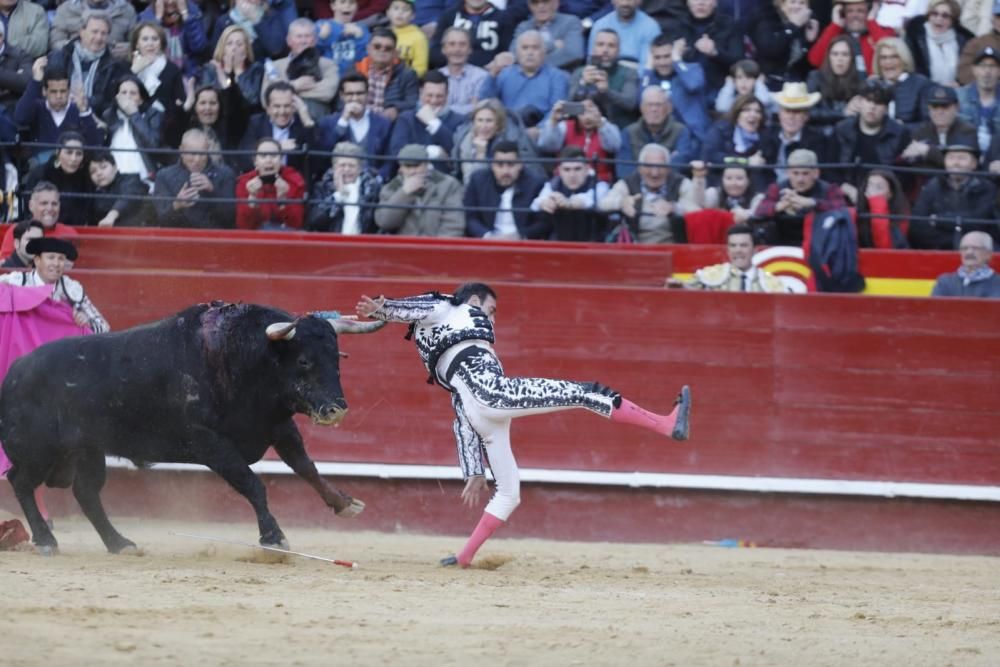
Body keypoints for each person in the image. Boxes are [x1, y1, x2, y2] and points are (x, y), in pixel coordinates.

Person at [353, 282, 691, 568]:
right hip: (491, 392)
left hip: (478, 406)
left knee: (509, 492)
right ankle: (664, 424)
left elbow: (461, 410)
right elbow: (416, 307)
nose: (493, 316)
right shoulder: (448, 307)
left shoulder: (437, 343)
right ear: (473, 301)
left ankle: (465, 556)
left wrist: (473, 470)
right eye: (492, 308)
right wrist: (383, 308)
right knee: (587, 392)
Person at [0, 236, 109, 333]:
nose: (56, 264)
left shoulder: (71, 289)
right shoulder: (16, 281)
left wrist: (87, 322)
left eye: (61, 259)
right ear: (37, 261)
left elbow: (104, 327)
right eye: (51, 257)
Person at [599, 143, 699, 244]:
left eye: (660, 167)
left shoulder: (681, 182)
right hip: (636, 250)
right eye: (649, 166)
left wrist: (674, 207)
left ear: (668, 168)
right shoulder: (628, 183)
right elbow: (603, 204)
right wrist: (621, 203)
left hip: (673, 249)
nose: (654, 173)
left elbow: (697, 211)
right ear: (640, 168)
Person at [754, 148, 849, 246]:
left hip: (819, 246)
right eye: (795, 173)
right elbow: (759, 211)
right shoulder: (777, 188)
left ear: (816, 173)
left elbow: (843, 210)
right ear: (788, 173)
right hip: (782, 246)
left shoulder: (829, 189)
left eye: (805, 173)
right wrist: (781, 205)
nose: (800, 179)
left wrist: (813, 203)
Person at [909, 143, 997, 249]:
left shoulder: (986, 188)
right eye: (950, 158)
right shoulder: (932, 186)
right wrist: (954, 238)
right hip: (937, 248)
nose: (956, 163)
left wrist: (938, 220)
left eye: (962, 158)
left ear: (974, 164)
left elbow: (979, 221)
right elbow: (918, 223)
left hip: (977, 247)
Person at [833, 79, 910, 199]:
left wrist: (882, 190)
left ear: (886, 108)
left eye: (878, 103)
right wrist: (846, 188)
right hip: (845, 197)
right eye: (868, 100)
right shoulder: (842, 129)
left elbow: (904, 176)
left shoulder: (899, 133)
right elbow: (829, 169)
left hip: (884, 198)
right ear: (860, 102)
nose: (872, 107)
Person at [13, 61, 102, 164]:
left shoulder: (79, 110)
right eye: (54, 91)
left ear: (69, 91)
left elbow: (95, 144)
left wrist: (84, 112)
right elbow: (20, 118)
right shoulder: (37, 107)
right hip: (41, 169)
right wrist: (36, 82)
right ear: (44, 91)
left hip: (74, 167)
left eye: (63, 91)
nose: (59, 96)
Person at [46, 11, 130, 118]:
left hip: (94, 118)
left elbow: (109, 101)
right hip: (57, 113)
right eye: (94, 32)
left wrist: (84, 102)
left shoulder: (114, 66)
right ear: (82, 32)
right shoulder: (59, 57)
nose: (99, 38)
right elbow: (47, 90)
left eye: (103, 33)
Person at [481, 30, 568, 130]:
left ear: (544, 52)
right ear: (517, 52)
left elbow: (556, 110)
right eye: (525, 48)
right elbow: (486, 102)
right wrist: (492, 75)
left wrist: (539, 129)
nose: (530, 53)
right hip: (507, 128)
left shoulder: (557, 77)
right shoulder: (504, 74)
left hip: (540, 130)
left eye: (535, 48)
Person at [152, 128, 237, 228]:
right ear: (181, 151)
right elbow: (162, 219)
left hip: (213, 237)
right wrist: (177, 205)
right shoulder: (164, 176)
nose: (197, 160)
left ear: (208, 149)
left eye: (202, 154)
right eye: (192, 154)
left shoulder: (225, 173)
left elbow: (230, 218)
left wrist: (212, 191)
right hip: (180, 238)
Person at [374, 143, 465, 236]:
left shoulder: (448, 184)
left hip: (437, 247)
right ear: (400, 168)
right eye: (408, 166)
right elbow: (384, 222)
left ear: (427, 164)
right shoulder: (391, 188)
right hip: (404, 247)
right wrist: (404, 193)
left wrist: (437, 248)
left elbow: (454, 225)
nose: (413, 171)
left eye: (417, 166)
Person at [637, 33, 711, 146]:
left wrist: (677, 60)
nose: (662, 62)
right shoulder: (650, 78)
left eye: (667, 56)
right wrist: (648, 68)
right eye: (657, 57)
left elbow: (693, 85)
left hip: (694, 137)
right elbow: (641, 102)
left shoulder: (692, 69)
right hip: (662, 139)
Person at [463, 140, 547, 239]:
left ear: (520, 165)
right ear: (492, 165)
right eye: (500, 165)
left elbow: (543, 222)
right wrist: (487, 236)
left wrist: (521, 235)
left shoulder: (536, 183)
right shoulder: (478, 180)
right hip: (486, 243)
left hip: (523, 244)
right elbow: (470, 217)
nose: (505, 171)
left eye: (511, 165)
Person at [316, 72, 393, 177]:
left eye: (360, 93)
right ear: (342, 96)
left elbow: (390, 160)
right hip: (338, 182)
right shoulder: (327, 123)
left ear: (367, 94)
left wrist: (378, 179)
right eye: (350, 94)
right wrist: (343, 121)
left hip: (373, 184)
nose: (355, 98)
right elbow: (323, 156)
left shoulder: (383, 123)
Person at [667, 224, 786, 292]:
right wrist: (679, 287)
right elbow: (687, 291)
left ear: (755, 250)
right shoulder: (710, 275)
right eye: (733, 246)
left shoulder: (771, 284)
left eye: (743, 245)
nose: (738, 250)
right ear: (728, 250)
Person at [660, 0, 742, 95]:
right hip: (684, 90)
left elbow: (739, 62)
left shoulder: (729, 25)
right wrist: (678, 55)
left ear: (715, 2)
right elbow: (662, 62)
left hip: (719, 90)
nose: (701, 3)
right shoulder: (676, 26)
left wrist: (716, 52)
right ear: (687, 2)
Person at [387, 70, 464, 171]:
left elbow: (457, 152)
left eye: (439, 96)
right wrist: (432, 151)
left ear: (447, 95)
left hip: (445, 180)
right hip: (410, 176)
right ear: (421, 93)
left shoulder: (459, 120)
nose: (434, 101)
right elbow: (397, 152)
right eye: (429, 95)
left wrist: (434, 124)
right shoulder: (406, 119)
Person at [265, 18, 340, 119]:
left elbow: (328, 93)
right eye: (299, 36)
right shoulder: (275, 66)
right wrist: (294, 86)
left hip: (317, 122)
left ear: (315, 40)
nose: (303, 41)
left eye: (307, 36)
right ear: (289, 41)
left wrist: (282, 91)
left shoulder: (329, 65)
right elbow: (265, 98)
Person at [531, 145, 609, 242]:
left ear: (587, 168)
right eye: (567, 169)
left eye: (577, 169)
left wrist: (569, 203)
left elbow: (591, 200)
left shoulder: (600, 185)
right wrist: (545, 203)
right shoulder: (553, 184)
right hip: (559, 245)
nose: (572, 175)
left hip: (592, 246)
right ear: (559, 170)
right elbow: (535, 204)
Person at [238, 80, 316, 175]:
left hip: (294, 183)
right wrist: (277, 147)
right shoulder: (256, 123)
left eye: (287, 106)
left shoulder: (304, 123)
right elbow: (244, 159)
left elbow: (315, 162)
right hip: (262, 181)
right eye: (277, 106)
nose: (282, 112)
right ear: (268, 108)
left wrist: (307, 120)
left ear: (294, 106)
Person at [452, 98, 537, 184]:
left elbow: (531, 171)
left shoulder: (514, 138)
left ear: (498, 124)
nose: (483, 126)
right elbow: (471, 183)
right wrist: (480, 155)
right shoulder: (467, 141)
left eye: (489, 121)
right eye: (480, 120)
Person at [759, 82, 830, 185]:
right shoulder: (767, 135)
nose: (791, 117)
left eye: (796, 112)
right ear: (779, 114)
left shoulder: (818, 140)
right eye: (787, 111)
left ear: (806, 116)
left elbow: (822, 176)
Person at [618, 86, 696, 178]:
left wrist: (642, 168)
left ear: (669, 108)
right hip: (636, 189)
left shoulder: (681, 131)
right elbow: (623, 171)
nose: (654, 109)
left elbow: (680, 166)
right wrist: (666, 162)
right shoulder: (629, 132)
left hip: (671, 188)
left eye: (658, 105)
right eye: (650, 105)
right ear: (641, 108)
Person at [538, 98, 621, 183]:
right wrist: (553, 121)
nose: (587, 117)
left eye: (591, 111)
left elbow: (614, 146)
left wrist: (600, 123)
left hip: (598, 181)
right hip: (564, 181)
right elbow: (546, 146)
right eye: (583, 111)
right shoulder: (565, 126)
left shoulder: (608, 127)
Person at [102, 74, 165, 184]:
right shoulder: (108, 115)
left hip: (143, 178)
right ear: (117, 97)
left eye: (133, 93)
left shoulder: (152, 114)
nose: (128, 97)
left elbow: (153, 145)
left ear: (141, 99)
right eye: (124, 92)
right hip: (114, 178)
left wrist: (134, 115)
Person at [569, 28, 638, 129]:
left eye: (611, 46)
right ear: (593, 49)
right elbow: (568, 109)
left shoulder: (630, 72)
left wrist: (606, 91)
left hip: (619, 129)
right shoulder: (580, 72)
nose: (605, 50)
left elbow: (630, 104)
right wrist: (582, 85)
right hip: (584, 131)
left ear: (618, 51)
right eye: (600, 44)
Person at [307, 141, 382, 233]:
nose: (347, 169)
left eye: (352, 166)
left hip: (363, 243)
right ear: (334, 167)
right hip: (332, 243)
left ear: (359, 169)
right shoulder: (322, 187)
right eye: (342, 165)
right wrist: (338, 196)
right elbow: (315, 221)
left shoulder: (371, 189)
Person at [900, 84, 978, 171]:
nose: (939, 111)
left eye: (945, 107)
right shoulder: (920, 131)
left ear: (957, 107)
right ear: (929, 108)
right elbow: (913, 163)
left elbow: (961, 164)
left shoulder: (967, 131)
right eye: (935, 107)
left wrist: (927, 151)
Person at [348, 27, 420, 121]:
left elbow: (413, 102)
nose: (382, 50)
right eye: (377, 46)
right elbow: (341, 102)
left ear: (395, 53)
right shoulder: (355, 69)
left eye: (388, 48)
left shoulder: (407, 74)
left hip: (390, 124)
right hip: (358, 121)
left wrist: (396, 109)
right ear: (368, 48)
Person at [807, 0, 896, 76]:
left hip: (875, 89)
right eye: (850, 11)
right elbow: (815, 60)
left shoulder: (884, 32)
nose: (855, 15)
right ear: (843, 13)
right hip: (841, 89)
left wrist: (871, 22)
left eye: (860, 11)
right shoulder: (834, 33)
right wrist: (835, 26)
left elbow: (894, 55)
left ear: (869, 12)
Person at [23, 132, 93, 228]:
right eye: (69, 152)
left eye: (79, 154)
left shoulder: (86, 176)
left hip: (76, 231)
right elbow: (28, 208)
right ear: (58, 152)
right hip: (42, 229)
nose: (73, 159)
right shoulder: (41, 173)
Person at [235, 137, 306, 230]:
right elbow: (243, 227)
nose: (269, 160)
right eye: (263, 156)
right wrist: (252, 198)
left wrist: (283, 199)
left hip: (286, 238)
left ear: (281, 160)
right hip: (257, 239)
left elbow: (297, 224)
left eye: (273, 155)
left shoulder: (294, 181)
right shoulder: (244, 182)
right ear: (255, 161)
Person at [428, 0, 517, 72]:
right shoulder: (448, 16)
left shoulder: (503, 18)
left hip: (490, 74)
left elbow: (506, 51)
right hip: (453, 74)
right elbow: (435, 52)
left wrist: (497, 63)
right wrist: (455, 62)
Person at [750, 0, 820, 89]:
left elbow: (812, 63)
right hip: (770, 80)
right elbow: (771, 50)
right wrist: (793, 26)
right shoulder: (767, 19)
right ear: (782, 5)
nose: (797, 6)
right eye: (792, 2)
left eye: (802, 3)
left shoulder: (808, 23)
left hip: (797, 83)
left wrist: (811, 41)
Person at [128, 20, 185, 129]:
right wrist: (134, 71)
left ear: (161, 43)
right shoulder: (126, 67)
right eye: (145, 39)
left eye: (155, 39)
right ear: (137, 44)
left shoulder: (172, 69)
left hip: (164, 125)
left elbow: (178, 102)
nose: (150, 43)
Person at [0, 181, 79, 260]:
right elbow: (5, 266)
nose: (50, 208)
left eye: (54, 204)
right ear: (31, 206)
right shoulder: (16, 230)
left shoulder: (70, 233)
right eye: (44, 203)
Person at [197, 25, 266, 112]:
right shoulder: (210, 69)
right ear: (223, 48)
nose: (234, 48)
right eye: (229, 44)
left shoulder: (256, 70)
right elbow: (211, 101)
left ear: (246, 48)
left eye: (239, 44)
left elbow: (253, 101)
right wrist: (226, 72)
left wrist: (239, 71)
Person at [905, 0, 973, 86]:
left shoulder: (963, 41)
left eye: (945, 16)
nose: (939, 19)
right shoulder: (916, 37)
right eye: (934, 14)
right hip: (924, 92)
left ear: (953, 20)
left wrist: (960, 83)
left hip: (954, 92)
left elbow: (967, 71)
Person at [135, 0, 210, 77]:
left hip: (188, 75)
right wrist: (157, 19)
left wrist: (186, 16)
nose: (170, 2)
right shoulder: (147, 16)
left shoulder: (192, 12)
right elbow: (147, 49)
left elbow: (199, 47)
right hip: (156, 75)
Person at [806, 34, 865, 132]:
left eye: (845, 54)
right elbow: (809, 112)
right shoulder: (815, 77)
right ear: (829, 56)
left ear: (852, 58)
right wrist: (842, 113)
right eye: (835, 54)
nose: (839, 59)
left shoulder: (860, 81)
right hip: (819, 133)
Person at [870, 37, 933, 125]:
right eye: (883, 58)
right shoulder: (872, 85)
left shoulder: (921, 84)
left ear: (904, 59)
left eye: (894, 57)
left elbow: (928, 125)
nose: (888, 62)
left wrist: (902, 129)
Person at [512, 0, 583, 71]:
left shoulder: (571, 22)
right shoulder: (523, 27)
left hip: (561, 76)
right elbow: (514, 53)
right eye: (535, 2)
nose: (540, 6)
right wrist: (552, 45)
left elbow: (574, 53)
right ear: (530, 6)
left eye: (545, 1)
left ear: (556, 3)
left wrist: (531, 63)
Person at [88, 150, 150, 227]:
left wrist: (111, 216)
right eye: (93, 171)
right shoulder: (95, 193)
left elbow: (128, 196)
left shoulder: (130, 179)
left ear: (115, 167)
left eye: (103, 167)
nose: (99, 173)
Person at [49, 0, 136, 55]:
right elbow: (56, 43)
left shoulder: (126, 10)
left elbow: (137, 42)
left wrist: (127, 48)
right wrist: (81, 47)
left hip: (114, 63)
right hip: (74, 62)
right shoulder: (66, 9)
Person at [589, 0, 660, 65]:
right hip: (603, 74)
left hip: (635, 76)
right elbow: (591, 61)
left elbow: (647, 65)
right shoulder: (600, 25)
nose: (625, 3)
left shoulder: (650, 27)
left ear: (639, 1)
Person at [931, 230, 1000, 296]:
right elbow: (935, 307)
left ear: (988, 253)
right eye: (964, 248)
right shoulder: (945, 282)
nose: (969, 252)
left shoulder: (998, 283)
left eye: (975, 248)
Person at [958, 46, 1000, 153]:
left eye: (992, 66)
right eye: (982, 66)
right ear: (974, 70)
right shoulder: (959, 96)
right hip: (966, 156)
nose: (987, 71)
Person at [436, 26, 487, 116]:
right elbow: (427, 108)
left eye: (462, 44)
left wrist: (444, 109)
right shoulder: (436, 76)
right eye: (452, 44)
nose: (457, 49)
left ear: (470, 49)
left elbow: (480, 109)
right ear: (443, 49)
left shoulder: (482, 77)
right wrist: (469, 107)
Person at [855, 168, 910, 248]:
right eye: (869, 186)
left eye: (879, 188)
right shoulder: (858, 213)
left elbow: (884, 247)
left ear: (890, 193)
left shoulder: (901, 214)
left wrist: (876, 202)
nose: (872, 191)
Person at [316, 0, 370, 75]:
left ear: (357, 7)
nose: (347, 5)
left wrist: (359, 37)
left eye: (352, 2)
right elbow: (313, 54)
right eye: (342, 2)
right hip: (329, 76)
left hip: (354, 78)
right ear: (333, 6)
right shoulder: (321, 25)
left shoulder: (361, 28)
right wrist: (322, 38)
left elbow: (365, 56)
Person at [387, 0, 427, 76]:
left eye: (405, 10)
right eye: (396, 8)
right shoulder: (381, 33)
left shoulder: (418, 37)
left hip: (406, 82)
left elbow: (420, 68)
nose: (400, 13)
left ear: (412, 16)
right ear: (388, 12)